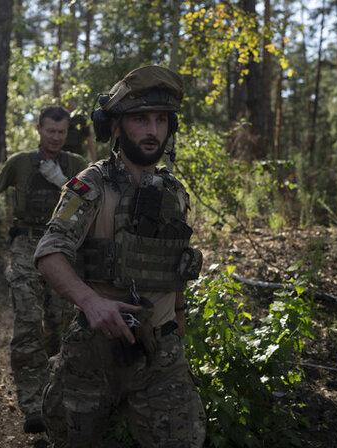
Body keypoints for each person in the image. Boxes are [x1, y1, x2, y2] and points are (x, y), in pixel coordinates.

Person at [33, 66, 206, 447]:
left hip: (159, 353)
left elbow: (175, 268)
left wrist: (178, 322)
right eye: (140, 119)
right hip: (95, 350)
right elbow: (49, 253)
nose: (152, 130)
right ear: (115, 127)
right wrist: (92, 303)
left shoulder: (174, 193)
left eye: (161, 120)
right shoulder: (91, 185)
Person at [0, 106, 89, 434]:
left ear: (66, 133)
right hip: (26, 244)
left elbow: (90, 203)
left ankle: (56, 396)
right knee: (27, 321)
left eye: (61, 132)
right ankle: (32, 404)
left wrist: (64, 183)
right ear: (39, 129)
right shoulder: (20, 162)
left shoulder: (77, 165)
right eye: (50, 131)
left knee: (60, 325)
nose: (55, 137)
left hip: (62, 246)